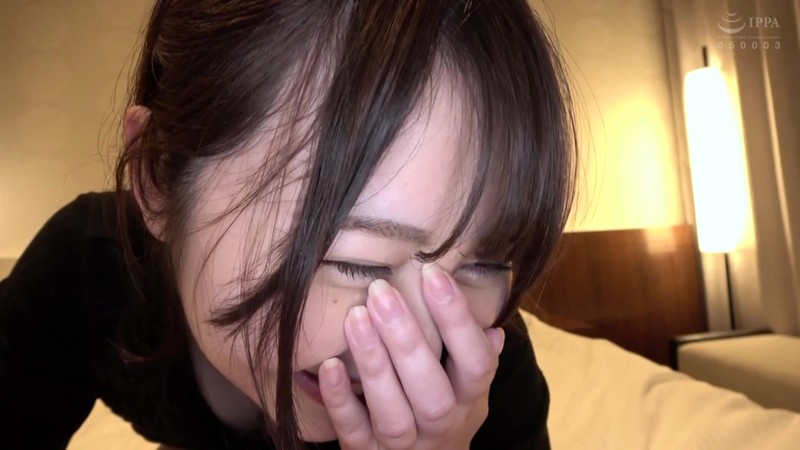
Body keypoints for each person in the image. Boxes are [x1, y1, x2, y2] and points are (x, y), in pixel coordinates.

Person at [0, 0, 576, 448]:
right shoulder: (84, 271)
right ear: (155, 178)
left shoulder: (480, 374)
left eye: (485, 262)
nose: (421, 345)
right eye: (358, 262)